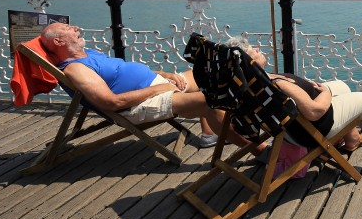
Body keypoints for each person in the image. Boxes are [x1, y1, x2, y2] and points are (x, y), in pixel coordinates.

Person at [39, 23, 265, 154]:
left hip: (157, 86)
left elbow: (126, 73)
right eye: (68, 28)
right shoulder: (76, 69)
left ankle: (210, 133)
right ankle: (258, 150)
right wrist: (159, 89)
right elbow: (112, 103)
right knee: (211, 99)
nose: (76, 27)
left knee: (211, 71)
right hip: (142, 104)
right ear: (59, 42)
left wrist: (166, 76)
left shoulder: (89, 54)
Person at [225, 37, 362, 168]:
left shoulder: (250, 84)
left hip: (291, 128)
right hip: (311, 129)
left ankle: (352, 139)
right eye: (253, 51)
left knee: (341, 86)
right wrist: (324, 93)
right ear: (249, 61)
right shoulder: (274, 85)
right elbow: (314, 111)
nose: (258, 49)